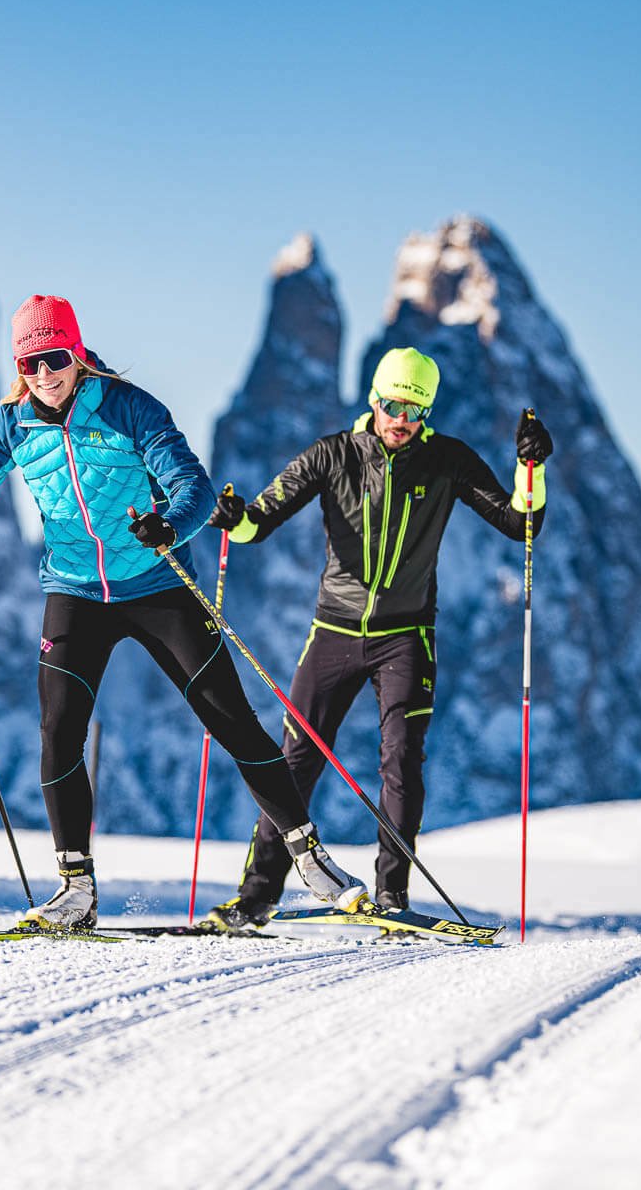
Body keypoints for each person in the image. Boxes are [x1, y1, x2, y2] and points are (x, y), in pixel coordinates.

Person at [0, 295, 368, 930]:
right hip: (75, 593)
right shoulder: (12, 426)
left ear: (78, 355)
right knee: (59, 731)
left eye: (55, 358)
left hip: (154, 583)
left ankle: (310, 859)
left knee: (231, 719)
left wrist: (169, 526)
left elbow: (194, 486)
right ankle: (76, 889)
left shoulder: (130, 407)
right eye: (30, 362)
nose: (44, 374)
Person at [199, 347, 553, 932]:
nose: (399, 419)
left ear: (427, 413)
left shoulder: (446, 460)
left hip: (405, 636)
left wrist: (529, 469)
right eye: (391, 404)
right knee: (294, 762)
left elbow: (522, 523)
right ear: (374, 399)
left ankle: (391, 894)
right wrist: (233, 515)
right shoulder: (335, 454)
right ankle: (257, 896)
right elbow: (258, 522)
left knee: (402, 762)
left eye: (413, 410)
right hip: (333, 629)